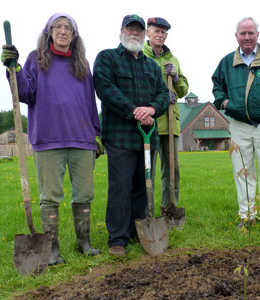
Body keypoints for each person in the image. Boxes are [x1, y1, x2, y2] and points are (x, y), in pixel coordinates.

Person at [0, 13, 102, 265]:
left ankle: (84, 243)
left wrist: (95, 134)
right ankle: (53, 249)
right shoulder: (36, 60)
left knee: (85, 194)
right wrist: (15, 68)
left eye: (69, 28)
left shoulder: (82, 64)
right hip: (48, 139)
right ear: (49, 32)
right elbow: (24, 92)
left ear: (74, 36)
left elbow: (91, 101)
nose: (63, 31)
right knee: (50, 196)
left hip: (81, 139)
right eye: (58, 26)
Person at [93, 14, 169, 257]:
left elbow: (163, 94)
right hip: (120, 137)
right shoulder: (107, 58)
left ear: (144, 34)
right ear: (121, 31)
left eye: (138, 29)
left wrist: (153, 109)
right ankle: (117, 238)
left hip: (148, 137)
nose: (134, 33)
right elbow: (105, 89)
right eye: (130, 29)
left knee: (142, 185)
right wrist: (134, 111)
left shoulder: (150, 66)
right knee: (120, 187)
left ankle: (138, 230)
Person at [212, 17, 260, 228]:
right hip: (239, 125)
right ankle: (247, 215)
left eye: (251, 33)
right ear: (236, 36)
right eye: (243, 33)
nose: (247, 37)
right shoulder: (227, 62)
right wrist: (226, 103)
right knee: (242, 170)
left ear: (258, 35)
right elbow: (217, 87)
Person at [143, 17, 189, 219]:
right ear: (147, 33)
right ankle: (146, 212)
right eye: (156, 31)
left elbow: (184, 90)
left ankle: (169, 209)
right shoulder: (140, 57)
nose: (160, 35)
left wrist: (177, 77)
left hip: (170, 123)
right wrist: (159, 98)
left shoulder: (173, 59)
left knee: (172, 171)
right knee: (147, 172)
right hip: (149, 124)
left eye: (163, 32)